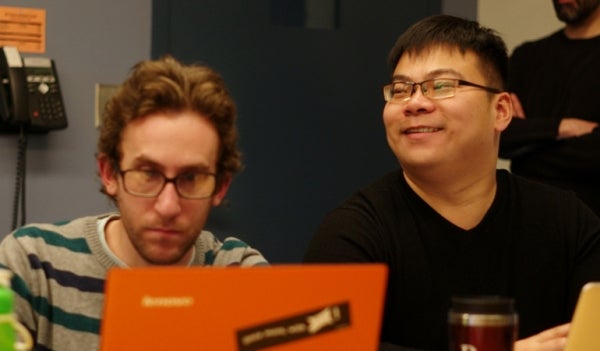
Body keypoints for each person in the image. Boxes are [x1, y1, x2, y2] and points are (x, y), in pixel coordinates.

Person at [303, 14, 600, 351]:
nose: (414, 103)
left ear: (500, 111)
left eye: (441, 85)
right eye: (400, 90)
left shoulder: (567, 222)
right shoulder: (353, 234)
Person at [0, 56, 268, 350]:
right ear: (109, 174)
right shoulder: (33, 265)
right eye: (148, 174)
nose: (168, 207)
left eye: (191, 177)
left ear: (220, 186)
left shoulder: (239, 276)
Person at [499, 0, 600, 216]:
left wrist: (527, 144)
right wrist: (563, 127)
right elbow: (497, 135)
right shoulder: (526, 57)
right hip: (526, 220)